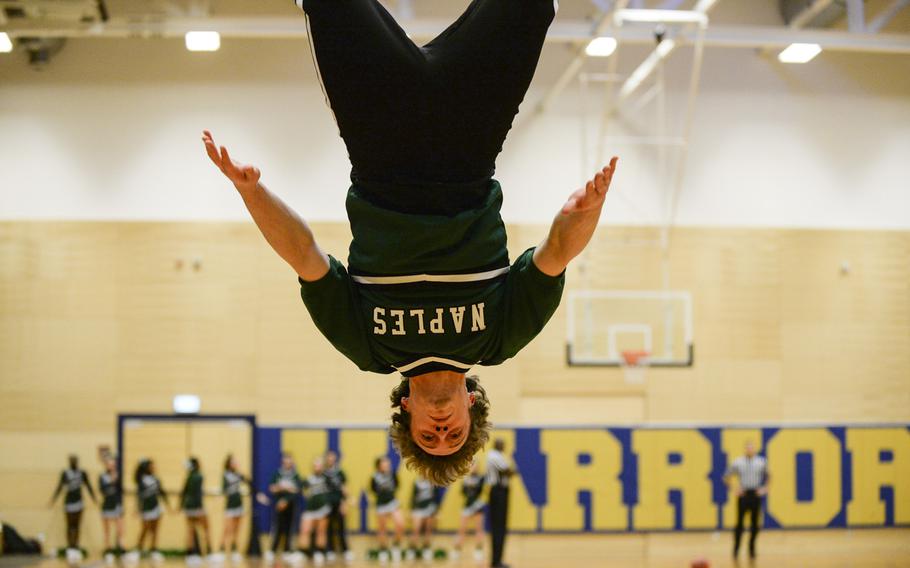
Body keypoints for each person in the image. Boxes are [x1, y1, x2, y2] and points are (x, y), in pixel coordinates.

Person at [201, 0, 619, 486]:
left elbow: (307, 258)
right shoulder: (500, 338)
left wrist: (252, 193)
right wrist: (588, 211)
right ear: (472, 406)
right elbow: (555, 256)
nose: (441, 433)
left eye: (428, 438)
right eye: (454, 437)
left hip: (380, 143)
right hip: (470, 143)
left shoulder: (369, 348)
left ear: (406, 413)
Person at [724, 441, 770, 560]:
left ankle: (752, 549)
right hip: (743, 494)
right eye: (748, 448)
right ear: (745, 449)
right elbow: (726, 476)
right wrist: (734, 489)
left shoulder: (761, 461)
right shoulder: (738, 462)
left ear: (754, 449)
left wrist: (764, 489)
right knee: (739, 524)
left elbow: (768, 476)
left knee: (755, 524)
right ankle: (736, 550)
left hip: (755, 493)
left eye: (752, 448)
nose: (750, 450)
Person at [49, 455, 97, 562]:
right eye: (72, 461)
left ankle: (75, 546)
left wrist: (94, 498)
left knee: (77, 525)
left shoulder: (82, 473)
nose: (73, 462)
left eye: (75, 461)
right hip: (69, 502)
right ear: (69, 462)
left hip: (79, 502)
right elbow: (60, 486)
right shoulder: (65, 473)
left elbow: (89, 486)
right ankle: (70, 546)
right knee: (69, 525)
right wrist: (53, 499)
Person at [129, 458, 170, 564]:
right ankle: (138, 549)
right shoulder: (141, 479)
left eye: (154, 466)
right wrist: (137, 509)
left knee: (155, 530)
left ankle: (154, 550)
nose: (153, 468)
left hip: (156, 507)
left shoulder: (156, 479)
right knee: (145, 529)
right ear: (146, 467)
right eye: (151, 466)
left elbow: (162, 492)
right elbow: (139, 496)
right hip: (146, 508)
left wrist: (168, 505)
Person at [265, 453, 302, 563]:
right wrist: (282, 488)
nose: (288, 463)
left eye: (290, 461)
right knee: (277, 527)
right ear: (282, 462)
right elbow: (272, 488)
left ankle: (287, 550)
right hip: (278, 505)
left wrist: (286, 497)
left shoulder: (295, 475)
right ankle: (273, 550)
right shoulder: (277, 473)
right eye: (286, 461)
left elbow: (297, 490)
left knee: (290, 528)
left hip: (291, 505)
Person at [297, 457, 332, 566]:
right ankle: (303, 552)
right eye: (316, 465)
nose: (317, 467)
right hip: (310, 509)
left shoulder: (327, 479)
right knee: (305, 530)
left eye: (319, 465)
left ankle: (320, 551)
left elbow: (336, 490)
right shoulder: (308, 479)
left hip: (323, 508)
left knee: (321, 531)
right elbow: (301, 489)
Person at [486, 439, 515, 568]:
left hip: (502, 491)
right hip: (498, 492)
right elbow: (507, 471)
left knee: (501, 526)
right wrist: (511, 470)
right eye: (501, 443)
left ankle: (498, 559)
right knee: (498, 526)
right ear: (497, 445)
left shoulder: (499, 456)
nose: (503, 445)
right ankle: (496, 561)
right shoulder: (493, 455)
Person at [370, 456, 404, 564]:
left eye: (388, 464)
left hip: (392, 502)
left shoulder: (393, 474)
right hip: (381, 504)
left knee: (400, 524)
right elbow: (373, 490)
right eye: (384, 463)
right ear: (379, 465)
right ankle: (383, 549)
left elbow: (397, 485)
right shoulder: (374, 477)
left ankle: (396, 546)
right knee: (382, 528)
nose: (387, 465)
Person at [218, 454, 251, 564]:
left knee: (237, 528)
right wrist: (233, 487)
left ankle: (234, 550)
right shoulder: (225, 475)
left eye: (236, 462)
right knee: (227, 529)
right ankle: (221, 550)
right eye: (233, 462)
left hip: (239, 504)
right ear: (228, 464)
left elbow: (249, 482)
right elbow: (224, 489)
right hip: (230, 504)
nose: (235, 464)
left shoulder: (238, 474)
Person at [323, 450, 353, 563]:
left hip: (339, 503)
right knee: (329, 527)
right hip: (327, 504)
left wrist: (345, 502)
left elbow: (344, 489)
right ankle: (330, 549)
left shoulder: (340, 472)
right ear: (326, 459)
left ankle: (345, 550)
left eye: (332, 457)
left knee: (341, 527)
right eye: (328, 457)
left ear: (335, 459)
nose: (330, 459)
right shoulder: (324, 473)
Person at [180, 457, 213, 562]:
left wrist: (180, 506)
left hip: (188, 507)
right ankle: (208, 551)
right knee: (206, 528)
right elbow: (197, 494)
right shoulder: (199, 476)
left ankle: (190, 553)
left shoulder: (188, 477)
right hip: (197, 506)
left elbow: (183, 492)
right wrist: (200, 507)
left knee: (190, 529)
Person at [452, 459, 485, 563]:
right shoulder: (466, 478)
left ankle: (479, 550)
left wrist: (472, 484)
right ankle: (457, 550)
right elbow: (463, 492)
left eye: (474, 465)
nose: (473, 467)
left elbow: (480, 490)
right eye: (471, 465)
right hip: (467, 505)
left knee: (478, 529)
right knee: (462, 529)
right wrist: (468, 482)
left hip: (477, 505)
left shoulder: (481, 478)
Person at [98, 456, 124, 563]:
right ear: (106, 465)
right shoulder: (102, 476)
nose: (112, 466)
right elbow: (102, 490)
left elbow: (120, 490)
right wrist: (111, 481)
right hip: (106, 504)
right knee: (107, 529)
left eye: (113, 464)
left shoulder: (118, 475)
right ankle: (108, 549)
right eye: (110, 464)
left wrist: (115, 479)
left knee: (120, 528)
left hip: (116, 504)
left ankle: (121, 548)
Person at [408, 476, 439, 561]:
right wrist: (411, 510)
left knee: (428, 530)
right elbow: (413, 496)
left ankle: (426, 549)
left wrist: (436, 511)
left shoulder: (433, 482)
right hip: (418, 508)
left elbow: (436, 497)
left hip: (429, 508)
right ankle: (412, 549)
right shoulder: (416, 482)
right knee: (416, 529)